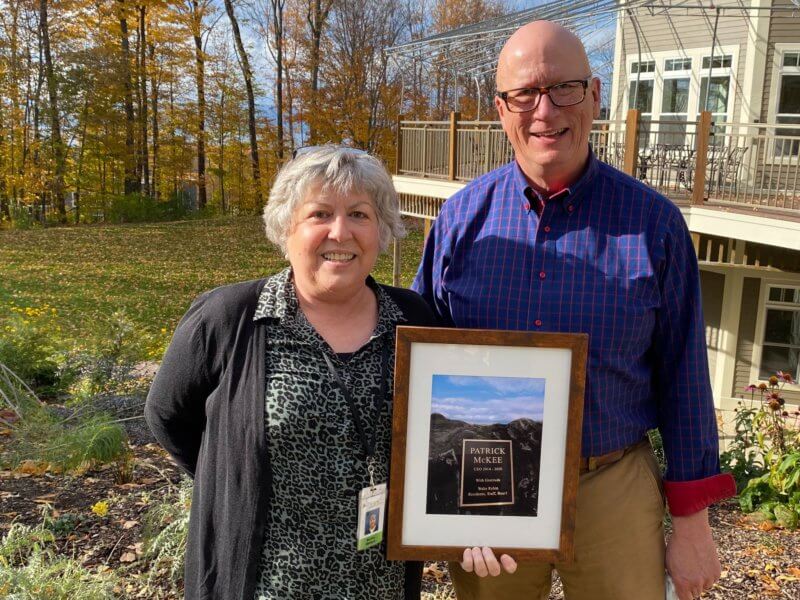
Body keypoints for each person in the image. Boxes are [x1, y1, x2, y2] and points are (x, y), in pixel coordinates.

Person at [412, 20, 736, 600]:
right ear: (501, 109)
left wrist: (692, 522)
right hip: (490, 487)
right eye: (525, 94)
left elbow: (684, 376)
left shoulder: (655, 227)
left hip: (611, 483)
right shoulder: (459, 223)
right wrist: (432, 499)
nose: (545, 110)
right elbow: (418, 367)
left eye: (564, 88)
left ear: (594, 95)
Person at [145, 146, 437, 600]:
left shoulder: (416, 321)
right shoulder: (228, 319)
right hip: (263, 587)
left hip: (382, 586)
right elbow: (168, 415)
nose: (340, 232)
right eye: (320, 213)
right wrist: (231, 480)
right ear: (287, 228)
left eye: (359, 214)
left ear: (381, 230)